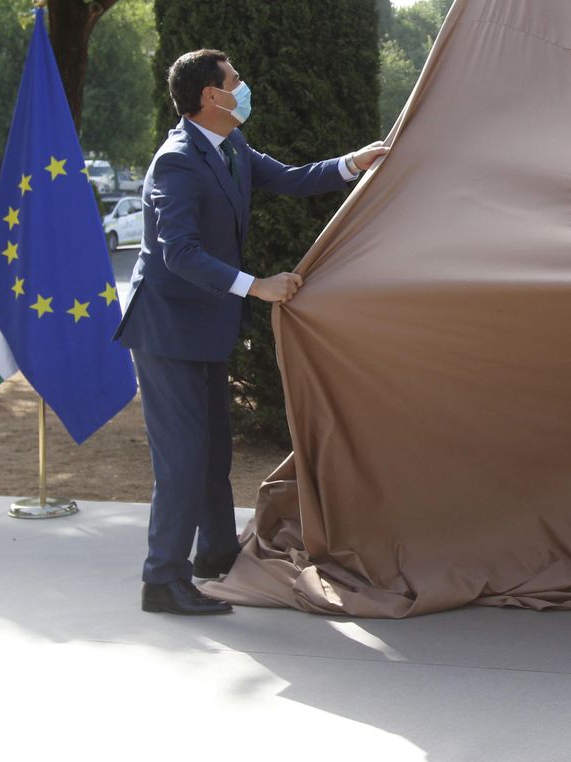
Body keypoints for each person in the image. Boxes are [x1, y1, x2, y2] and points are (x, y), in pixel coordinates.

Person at [114, 49, 388, 616]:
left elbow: (288, 179)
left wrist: (352, 164)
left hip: (204, 326)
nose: (244, 86)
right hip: (168, 331)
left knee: (213, 450)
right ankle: (162, 580)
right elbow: (178, 252)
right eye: (235, 79)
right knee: (183, 459)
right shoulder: (177, 161)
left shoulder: (230, 144)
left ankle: (215, 555)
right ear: (210, 96)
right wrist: (255, 286)